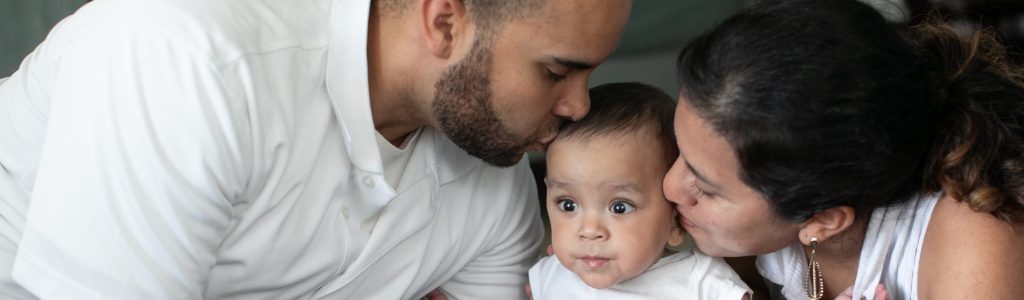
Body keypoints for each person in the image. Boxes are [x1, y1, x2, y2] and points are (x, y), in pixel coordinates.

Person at [0, 0, 631, 298]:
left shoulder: (491, 167)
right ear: (444, 21)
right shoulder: (182, 62)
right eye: (556, 72)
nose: (579, 106)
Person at [664, 0, 1024, 299]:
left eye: (703, 187)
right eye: (682, 154)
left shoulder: (982, 253)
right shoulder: (773, 176)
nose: (669, 185)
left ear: (824, 220)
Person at [529, 82, 751, 299]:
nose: (589, 231)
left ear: (674, 221)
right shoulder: (549, 276)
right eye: (568, 204)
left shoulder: (703, 283)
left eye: (619, 207)